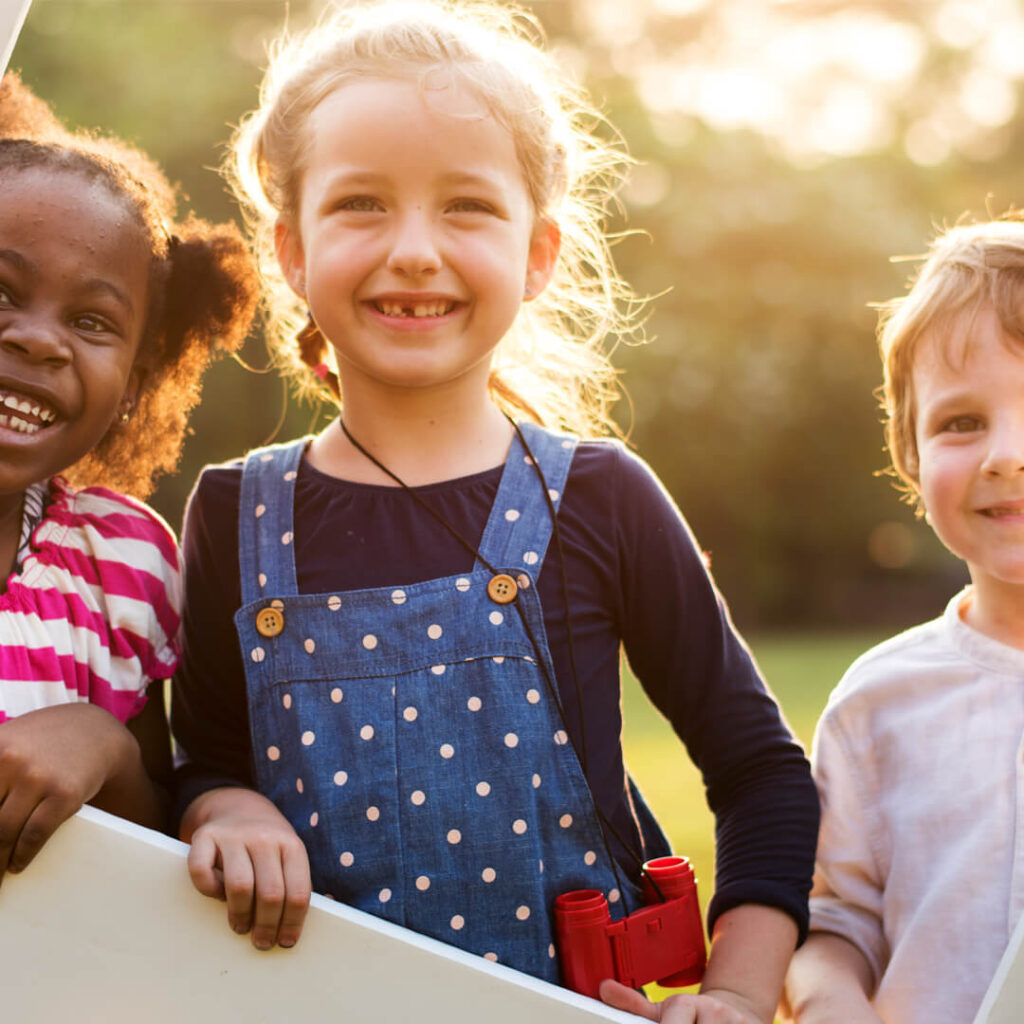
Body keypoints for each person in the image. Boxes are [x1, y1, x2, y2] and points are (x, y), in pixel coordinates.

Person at [171, 2, 818, 1020]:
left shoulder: (602, 498)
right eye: (362, 205)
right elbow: (196, 760)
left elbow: (761, 772)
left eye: (466, 206)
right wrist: (224, 799)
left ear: (538, 253)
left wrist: (735, 991)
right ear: (292, 250)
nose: (415, 249)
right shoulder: (231, 515)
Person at [0, 73, 258, 884]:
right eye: (2, 292)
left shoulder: (121, 567)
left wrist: (104, 746)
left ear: (137, 381)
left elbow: (150, 870)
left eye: (91, 322)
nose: (41, 343)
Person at [781, 217, 1024, 1024]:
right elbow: (834, 926)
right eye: (962, 422)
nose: (1006, 454)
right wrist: (829, 1002)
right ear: (910, 456)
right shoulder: (879, 705)